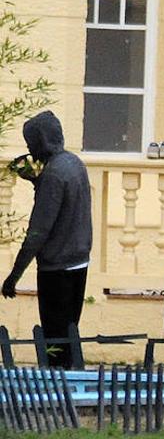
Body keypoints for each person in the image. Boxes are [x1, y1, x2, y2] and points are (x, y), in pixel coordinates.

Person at [1, 111, 93, 368]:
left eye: (31, 145)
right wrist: (37, 183)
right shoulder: (75, 164)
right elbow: (65, 210)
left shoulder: (53, 175)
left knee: (55, 338)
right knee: (69, 332)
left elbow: (38, 231)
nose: (31, 151)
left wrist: (13, 276)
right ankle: (70, 381)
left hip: (57, 268)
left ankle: (58, 388)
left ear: (41, 141)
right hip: (79, 261)